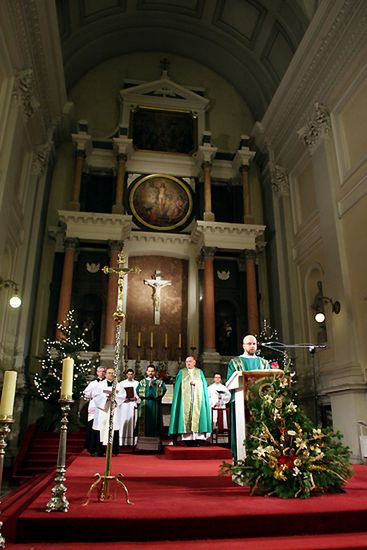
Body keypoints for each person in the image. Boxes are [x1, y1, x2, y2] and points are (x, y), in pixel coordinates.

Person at [226, 334, 274, 459]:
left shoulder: (263, 363)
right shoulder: (235, 362)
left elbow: (270, 382)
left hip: (261, 404)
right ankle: (242, 459)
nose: (252, 346)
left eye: (254, 344)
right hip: (242, 403)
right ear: (243, 346)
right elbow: (230, 382)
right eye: (249, 344)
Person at [169, 356, 212, 445]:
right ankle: (186, 437)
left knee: (197, 414)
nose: (188, 363)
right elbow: (178, 388)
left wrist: (196, 383)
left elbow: (203, 385)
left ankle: (198, 438)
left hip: (197, 398)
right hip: (185, 400)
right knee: (185, 415)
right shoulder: (182, 372)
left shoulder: (199, 372)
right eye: (187, 362)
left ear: (194, 362)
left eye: (190, 361)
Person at [92, 367, 125, 455]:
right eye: (109, 373)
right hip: (103, 410)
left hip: (113, 409)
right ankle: (100, 450)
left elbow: (122, 396)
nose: (111, 374)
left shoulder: (118, 385)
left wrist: (114, 398)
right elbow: (95, 396)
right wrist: (105, 397)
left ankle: (112, 451)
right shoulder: (99, 385)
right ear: (105, 374)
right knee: (102, 427)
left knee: (112, 426)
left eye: (112, 373)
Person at [137, 365, 166, 439]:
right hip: (145, 405)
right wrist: (148, 388)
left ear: (155, 372)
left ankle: (155, 443)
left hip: (155, 405)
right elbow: (139, 392)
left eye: (152, 371)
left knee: (155, 423)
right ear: (146, 372)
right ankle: (143, 442)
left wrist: (152, 387)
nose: (150, 373)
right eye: (149, 371)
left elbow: (161, 392)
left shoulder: (159, 382)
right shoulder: (142, 382)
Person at [83, 366, 106, 456]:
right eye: (100, 371)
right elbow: (86, 393)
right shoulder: (92, 383)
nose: (101, 373)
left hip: (103, 407)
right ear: (97, 372)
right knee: (92, 427)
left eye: (103, 371)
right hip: (94, 406)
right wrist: (92, 395)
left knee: (101, 428)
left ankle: (101, 449)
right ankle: (91, 448)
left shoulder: (107, 383)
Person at [117, 369, 140, 446]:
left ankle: (132, 442)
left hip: (132, 404)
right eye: (128, 374)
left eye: (131, 374)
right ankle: (122, 441)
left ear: (133, 375)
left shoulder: (137, 383)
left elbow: (139, 393)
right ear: (126, 375)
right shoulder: (121, 383)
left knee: (132, 422)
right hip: (124, 405)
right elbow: (119, 394)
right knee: (123, 421)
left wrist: (135, 398)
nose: (130, 376)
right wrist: (124, 398)